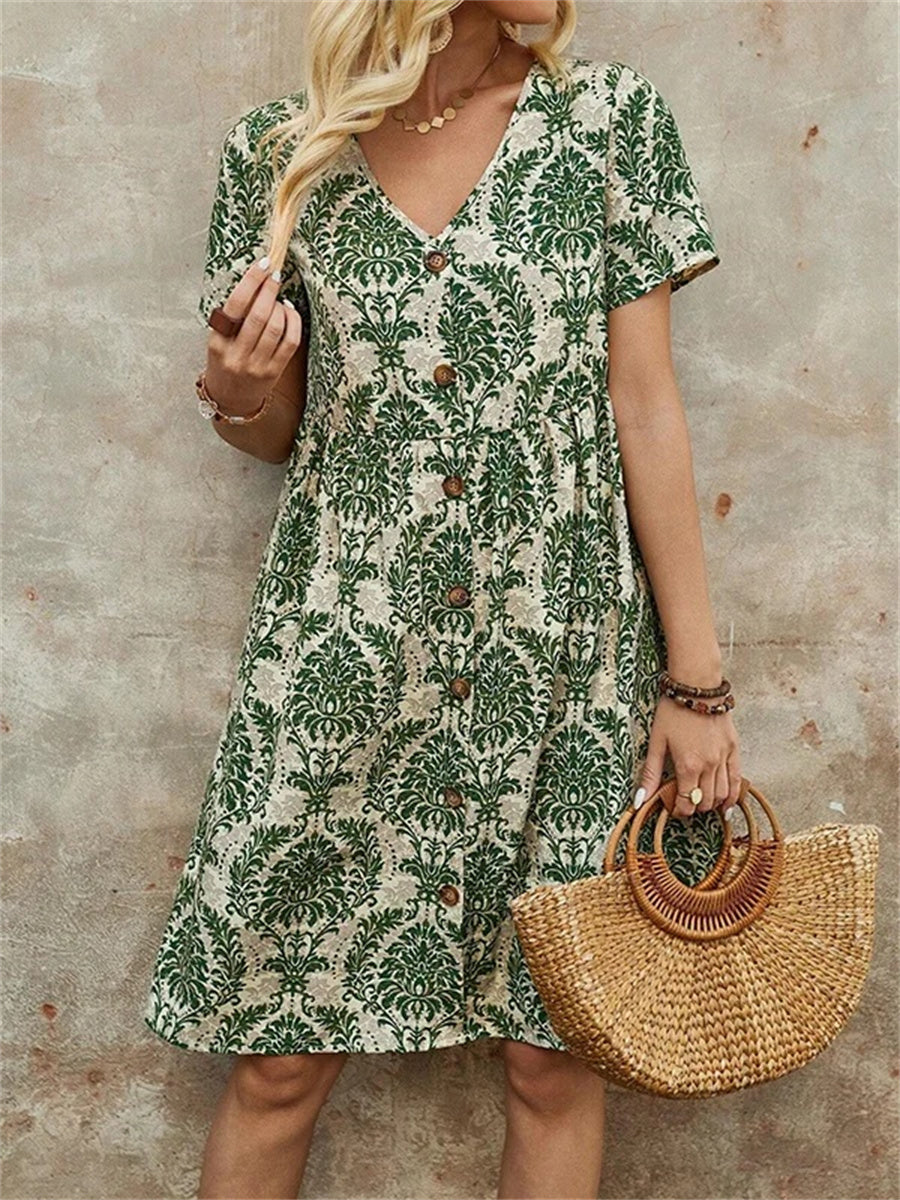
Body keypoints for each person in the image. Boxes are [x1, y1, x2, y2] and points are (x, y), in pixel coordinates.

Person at [144, 2, 739, 1196]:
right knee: (278, 1058)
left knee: (555, 1058)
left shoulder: (608, 123)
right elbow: (280, 433)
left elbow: (644, 404)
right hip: (347, 654)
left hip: (561, 661)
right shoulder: (281, 155)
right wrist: (236, 387)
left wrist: (698, 683)